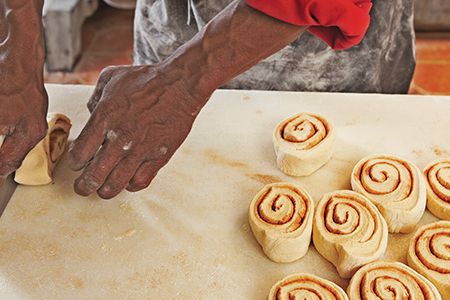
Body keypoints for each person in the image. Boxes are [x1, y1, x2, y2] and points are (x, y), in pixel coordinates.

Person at [0, 0, 414, 199]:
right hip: (174, 22)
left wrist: (182, 80)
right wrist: (16, 47)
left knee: (336, 182)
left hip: (323, 57)